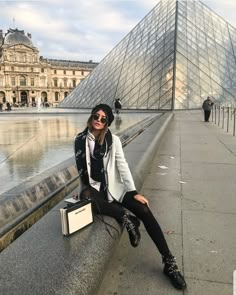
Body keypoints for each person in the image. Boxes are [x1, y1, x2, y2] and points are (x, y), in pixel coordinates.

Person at [74, 104, 187, 290]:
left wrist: (133, 192)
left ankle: (169, 262)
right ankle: (127, 219)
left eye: (104, 118)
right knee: (87, 196)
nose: (98, 120)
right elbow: (82, 173)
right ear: (91, 116)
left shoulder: (114, 141)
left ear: (108, 122)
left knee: (144, 209)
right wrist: (81, 191)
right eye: (96, 115)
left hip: (116, 187)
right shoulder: (79, 140)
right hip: (95, 190)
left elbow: (123, 166)